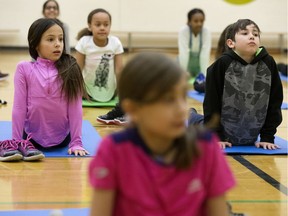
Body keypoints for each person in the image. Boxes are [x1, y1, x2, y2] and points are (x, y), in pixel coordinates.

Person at [88, 52, 236, 216]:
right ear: (133, 109)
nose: (181, 109)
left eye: (182, 97)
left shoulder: (206, 147)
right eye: (168, 99)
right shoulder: (114, 151)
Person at [0, 18, 89, 162]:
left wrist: (76, 142)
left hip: (63, 139)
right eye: (50, 39)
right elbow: (19, 107)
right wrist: (17, 142)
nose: (57, 44)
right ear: (36, 44)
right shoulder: (24, 68)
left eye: (61, 39)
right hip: (30, 138)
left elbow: (75, 107)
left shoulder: (71, 67)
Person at [190, 19, 283, 150]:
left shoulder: (268, 62)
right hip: (221, 127)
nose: (251, 36)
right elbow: (212, 101)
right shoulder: (223, 63)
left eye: (255, 34)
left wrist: (267, 137)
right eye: (245, 33)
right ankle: (191, 115)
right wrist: (216, 135)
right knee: (198, 123)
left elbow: (274, 100)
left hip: (249, 133)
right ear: (230, 43)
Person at [74, 8, 125, 125]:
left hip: (111, 94)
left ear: (110, 26)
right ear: (90, 26)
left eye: (106, 25)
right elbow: (78, 69)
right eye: (98, 24)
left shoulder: (115, 42)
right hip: (88, 94)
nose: (102, 28)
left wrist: (122, 92)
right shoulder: (84, 42)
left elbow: (119, 70)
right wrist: (77, 91)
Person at [178, 8, 211, 93]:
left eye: (201, 21)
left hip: (199, 63)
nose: (199, 24)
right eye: (196, 21)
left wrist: (204, 75)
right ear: (189, 21)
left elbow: (205, 53)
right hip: (185, 61)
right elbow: (183, 52)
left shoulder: (206, 32)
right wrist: (183, 73)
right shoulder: (183, 31)